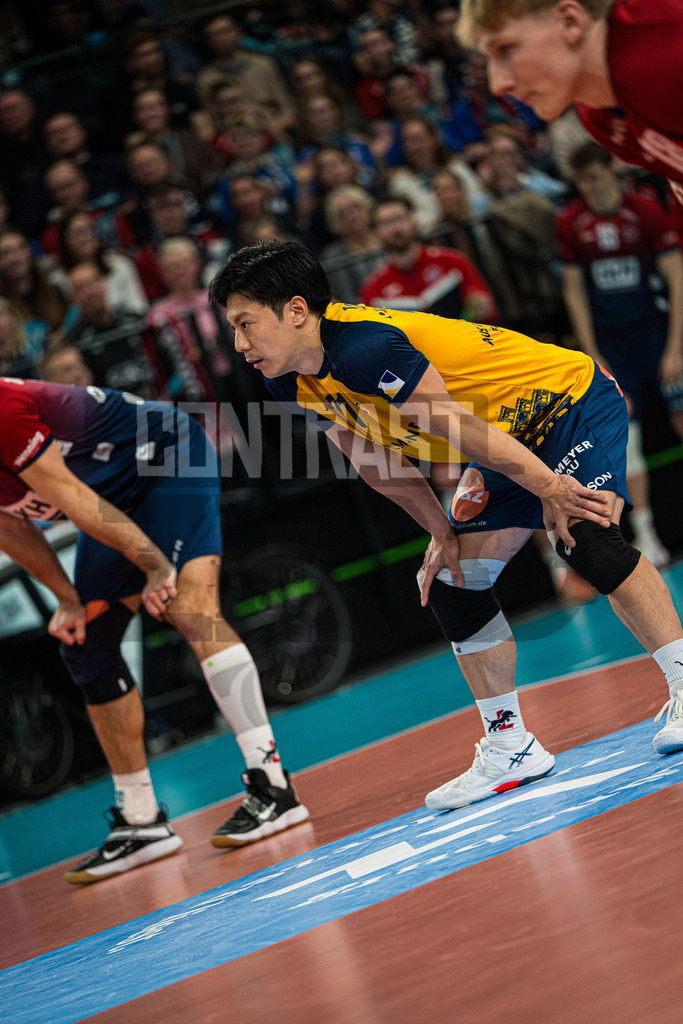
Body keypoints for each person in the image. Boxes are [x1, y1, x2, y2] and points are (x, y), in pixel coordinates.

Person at [208, 240, 683, 813]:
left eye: (245, 323)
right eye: (232, 328)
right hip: (501, 444)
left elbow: (456, 426)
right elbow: (376, 464)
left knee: (582, 536)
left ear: (297, 310)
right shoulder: (288, 377)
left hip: (568, 404)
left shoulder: (365, 346)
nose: (239, 344)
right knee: (455, 582)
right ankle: (510, 746)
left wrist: (551, 487)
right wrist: (442, 533)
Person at [0, 376, 309, 883]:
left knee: (191, 608)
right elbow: (11, 527)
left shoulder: (6, 411)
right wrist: (68, 600)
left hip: (165, 456)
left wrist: (156, 566)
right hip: (112, 494)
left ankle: (274, 787)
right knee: (88, 647)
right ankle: (141, 821)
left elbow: (73, 498)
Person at [557, 141, 683, 567]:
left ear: (610, 170)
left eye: (593, 177)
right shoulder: (572, 223)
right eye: (581, 182)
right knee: (625, 441)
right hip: (613, 347)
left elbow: (676, 276)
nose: (588, 187)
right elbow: (573, 290)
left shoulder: (644, 210)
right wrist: (592, 354)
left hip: (655, 335)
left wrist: (675, 347)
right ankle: (647, 535)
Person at [460, 0, 683, 203]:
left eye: (505, 49)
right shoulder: (600, 118)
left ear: (569, 21)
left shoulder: (665, 49)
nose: (498, 84)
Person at [360, 197, 497, 324]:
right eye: (386, 223)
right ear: (376, 232)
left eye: (399, 218)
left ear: (414, 221)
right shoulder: (374, 290)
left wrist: (481, 309)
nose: (395, 228)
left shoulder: (452, 261)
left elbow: (489, 310)